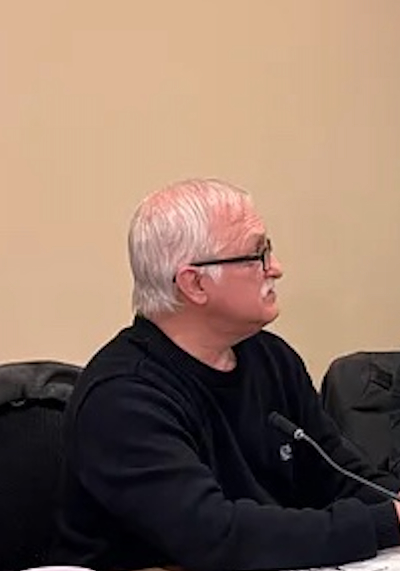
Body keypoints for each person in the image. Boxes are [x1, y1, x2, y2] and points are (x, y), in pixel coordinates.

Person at [51, 178, 400, 571]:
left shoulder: (271, 357)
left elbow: (339, 474)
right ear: (195, 283)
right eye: (257, 255)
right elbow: (214, 537)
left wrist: (393, 502)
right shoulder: (122, 397)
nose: (276, 269)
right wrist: (383, 523)